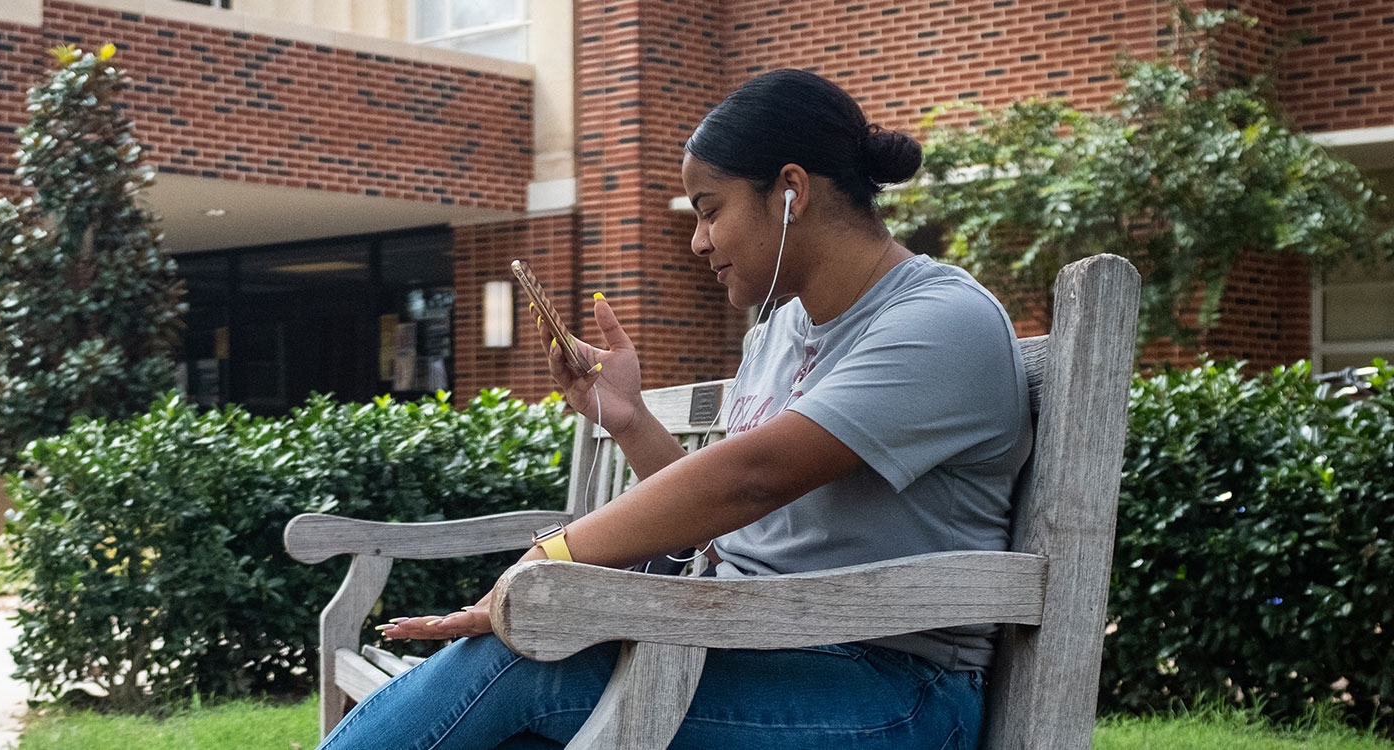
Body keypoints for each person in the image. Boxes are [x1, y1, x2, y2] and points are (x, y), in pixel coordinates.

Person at [316, 68, 1033, 750]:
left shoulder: (940, 321)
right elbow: (730, 535)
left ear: (791, 191)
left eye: (710, 210)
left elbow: (753, 478)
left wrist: (544, 565)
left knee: (526, 656)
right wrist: (628, 418)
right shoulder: (778, 332)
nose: (697, 243)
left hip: (896, 694)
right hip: (752, 640)